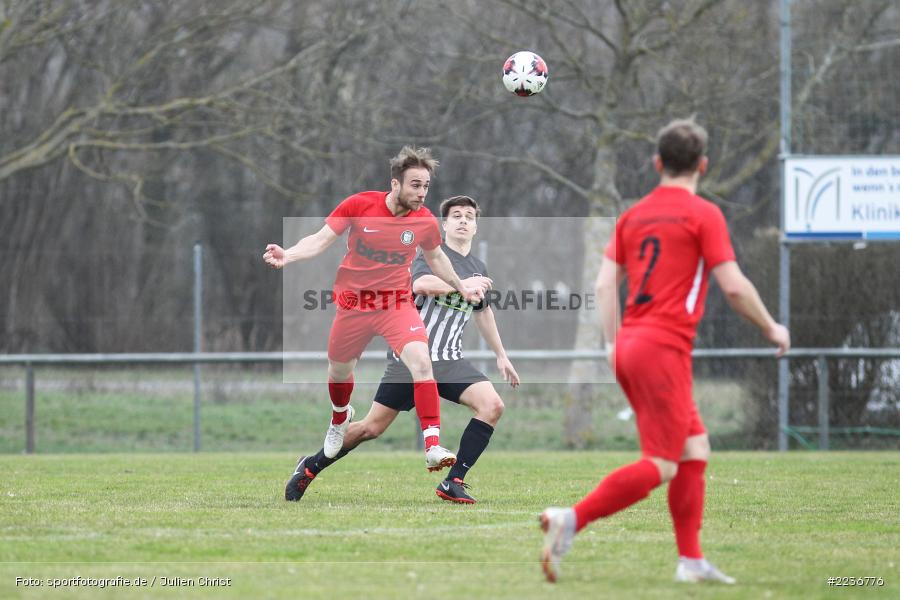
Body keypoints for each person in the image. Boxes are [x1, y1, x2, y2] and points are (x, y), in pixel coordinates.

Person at [539, 119, 791, 584]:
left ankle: (691, 561)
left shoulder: (633, 215)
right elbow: (734, 288)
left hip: (631, 342)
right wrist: (773, 327)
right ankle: (570, 518)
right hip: (663, 348)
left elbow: (602, 284)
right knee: (663, 462)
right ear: (703, 165)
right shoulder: (704, 214)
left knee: (695, 448)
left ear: (657, 163)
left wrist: (614, 343)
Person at [285, 195, 520, 504]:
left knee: (493, 406)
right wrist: (462, 284)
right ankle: (311, 466)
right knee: (370, 428)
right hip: (410, 360)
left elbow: (483, 312)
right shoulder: (431, 253)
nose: (463, 220)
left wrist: (501, 355)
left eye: (469, 216)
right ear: (444, 224)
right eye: (456, 216)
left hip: (449, 361)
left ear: (476, 226)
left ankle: (453, 482)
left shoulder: (477, 266)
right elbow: (420, 284)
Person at [263, 147, 483, 474]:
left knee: (422, 362)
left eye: (425, 186)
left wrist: (461, 285)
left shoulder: (423, 221)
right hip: (354, 305)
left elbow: (437, 259)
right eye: (415, 185)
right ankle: (340, 415)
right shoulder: (359, 205)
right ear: (395, 184)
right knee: (338, 371)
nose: (422, 193)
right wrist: (289, 255)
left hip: (395, 303)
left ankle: (433, 445)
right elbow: (321, 240)